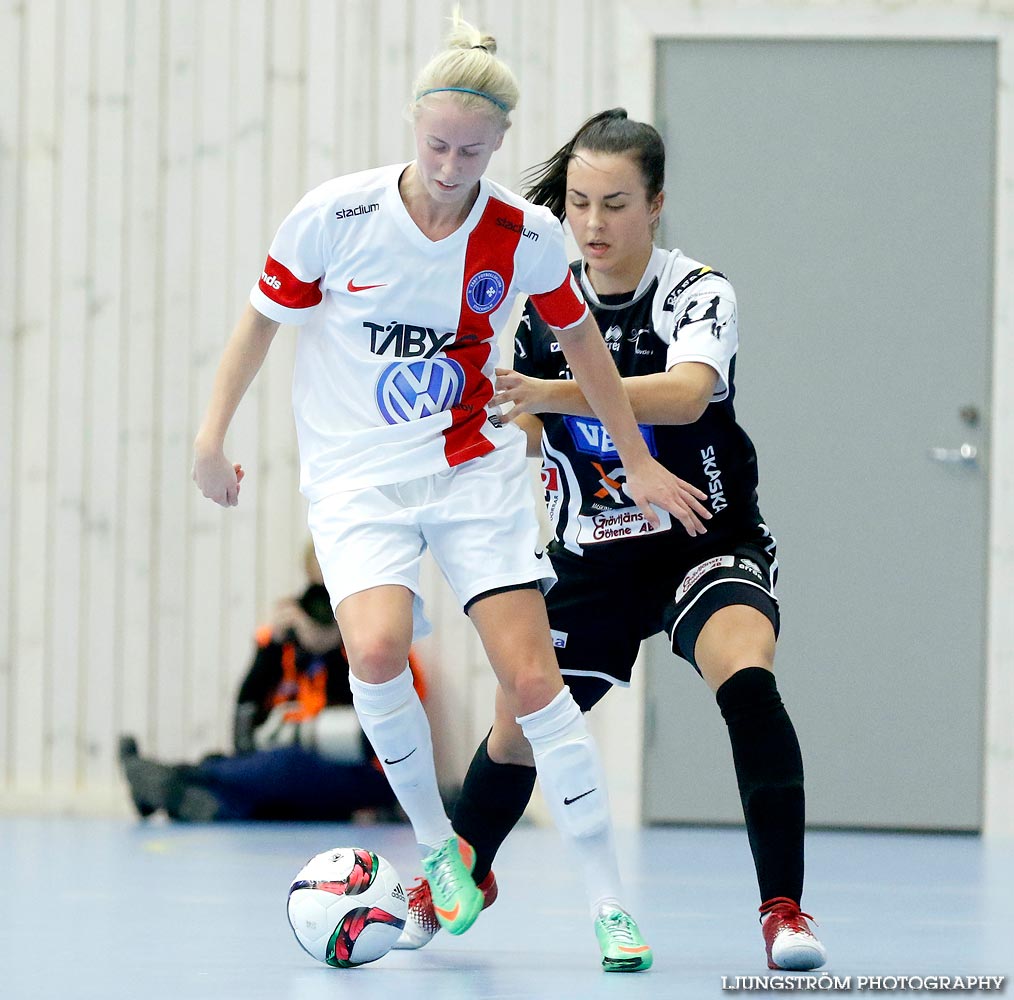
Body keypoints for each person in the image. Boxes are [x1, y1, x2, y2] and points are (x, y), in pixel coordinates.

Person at [191, 11, 711, 971]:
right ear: (412, 126)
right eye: (435, 144)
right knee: (380, 647)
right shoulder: (335, 217)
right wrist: (210, 435)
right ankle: (439, 845)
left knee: (533, 683)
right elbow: (260, 324)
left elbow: (582, 345)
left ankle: (610, 906)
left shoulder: (524, 233)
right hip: (359, 481)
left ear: (499, 146)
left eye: (471, 150)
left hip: (469, 471)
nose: (448, 164)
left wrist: (635, 456)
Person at [393, 108, 829, 973]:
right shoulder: (536, 312)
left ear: (656, 205)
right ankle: (463, 877)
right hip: (593, 557)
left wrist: (551, 393)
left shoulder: (697, 291)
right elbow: (515, 429)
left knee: (745, 674)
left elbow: (689, 394)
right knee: (516, 728)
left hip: (704, 533)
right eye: (580, 204)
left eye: (616, 205)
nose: (592, 226)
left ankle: (783, 910)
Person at [118, 543, 400, 822]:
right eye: (319, 592)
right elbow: (243, 736)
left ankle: (174, 779)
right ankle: (189, 799)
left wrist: (338, 648)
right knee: (268, 786)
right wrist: (270, 651)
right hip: (289, 781)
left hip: (362, 775)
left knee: (285, 765)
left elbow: (376, 740)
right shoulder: (285, 645)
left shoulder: (380, 642)